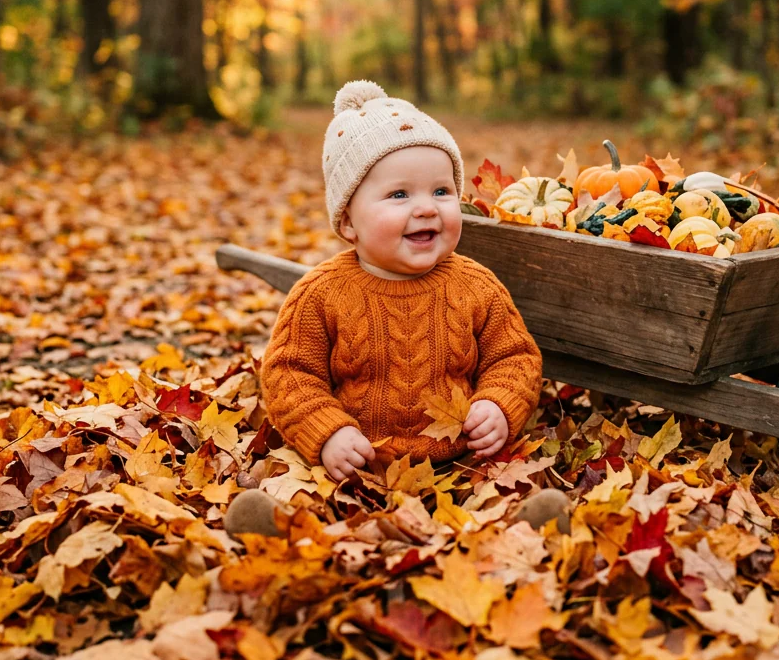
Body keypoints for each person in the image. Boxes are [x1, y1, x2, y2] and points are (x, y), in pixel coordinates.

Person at [224, 80, 569, 537]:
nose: (426, 208)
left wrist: (498, 406)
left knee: (498, 489)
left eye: (442, 192)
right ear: (348, 221)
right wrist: (327, 432)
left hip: (461, 462)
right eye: (400, 195)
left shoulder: (476, 286)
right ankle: (288, 532)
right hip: (356, 464)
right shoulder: (322, 293)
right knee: (316, 497)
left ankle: (519, 530)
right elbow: (289, 373)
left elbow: (514, 356)